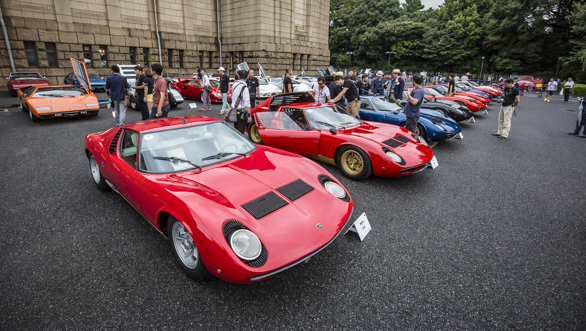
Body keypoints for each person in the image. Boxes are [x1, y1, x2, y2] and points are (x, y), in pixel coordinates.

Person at [231, 69, 252, 134]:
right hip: (241, 113)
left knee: (236, 131)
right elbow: (247, 103)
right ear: (247, 77)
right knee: (240, 133)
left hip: (234, 111)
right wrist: (249, 116)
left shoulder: (234, 85)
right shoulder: (245, 88)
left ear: (239, 76)